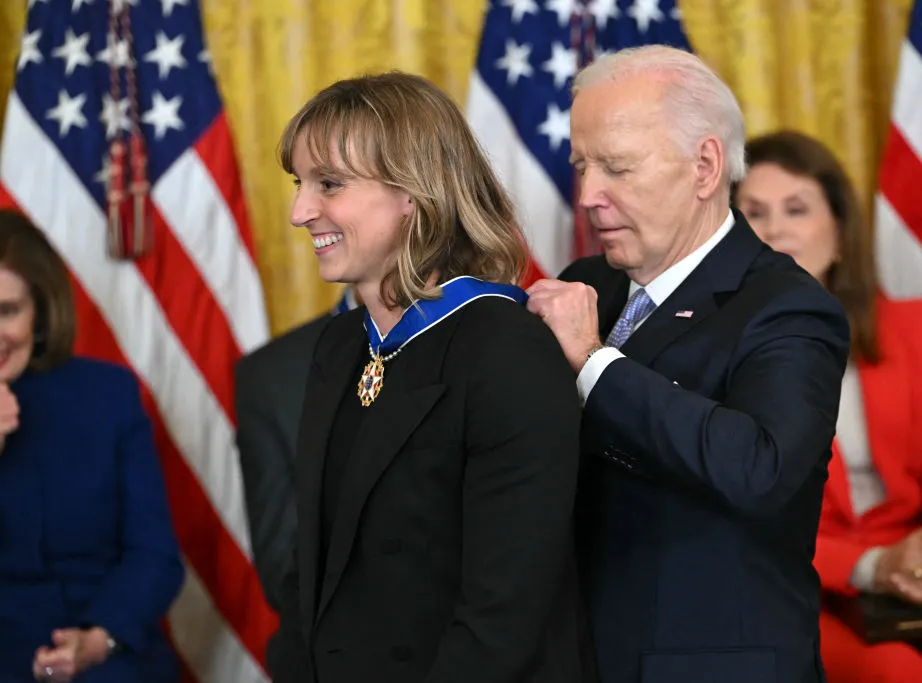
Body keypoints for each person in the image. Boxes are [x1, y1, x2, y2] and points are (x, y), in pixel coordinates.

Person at [527, 46, 850, 683]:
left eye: (617, 167)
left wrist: (595, 362)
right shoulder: (587, 284)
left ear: (705, 166)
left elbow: (758, 468)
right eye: (582, 166)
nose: (589, 195)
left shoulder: (788, 308)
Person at [267, 72, 593, 683]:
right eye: (300, 184)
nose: (299, 212)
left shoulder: (506, 347)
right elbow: (310, 569)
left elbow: (505, 612)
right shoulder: (340, 345)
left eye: (329, 184)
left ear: (414, 193)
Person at [734, 129, 922, 683]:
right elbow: (744, 523)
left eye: (796, 209)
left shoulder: (917, 330)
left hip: (913, 569)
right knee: (896, 673)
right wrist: (868, 567)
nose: (774, 230)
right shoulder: (713, 351)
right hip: (794, 577)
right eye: (753, 213)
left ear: (839, 234)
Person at [0, 210, 184, 683]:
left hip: (105, 657)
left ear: (40, 311)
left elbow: (154, 556)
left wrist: (98, 640)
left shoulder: (108, 396)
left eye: (7, 311)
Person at [235, 286, 356, 613]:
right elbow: (286, 574)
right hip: (355, 650)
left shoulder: (494, 342)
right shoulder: (270, 376)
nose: (306, 229)